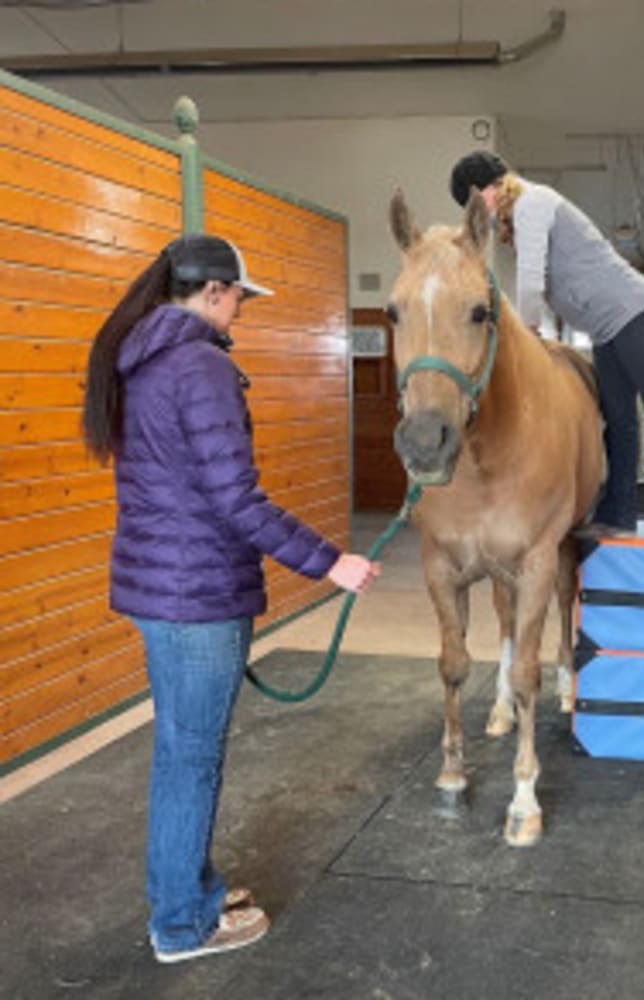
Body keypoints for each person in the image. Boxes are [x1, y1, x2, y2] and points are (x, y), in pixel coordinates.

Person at [82, 233, 380, 964]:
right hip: (197, 598)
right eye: (240, 296)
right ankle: (182, 924)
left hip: (163, 590)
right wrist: (330, 562)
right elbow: (237, 502)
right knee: (191, 758)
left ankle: (192, 890)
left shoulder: (141, 358)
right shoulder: (200, 366)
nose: (241, 310)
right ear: (212, 291)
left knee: (181, 751)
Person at [448, 151, 644, 541]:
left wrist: (528, 330)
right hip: (607, 329)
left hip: (636, 312)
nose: (480, 215)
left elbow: (531, 277)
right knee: (618, 422)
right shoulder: (519, 213)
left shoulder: (533, 202)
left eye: (474, 204)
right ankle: (618, 515)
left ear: (484, 190)